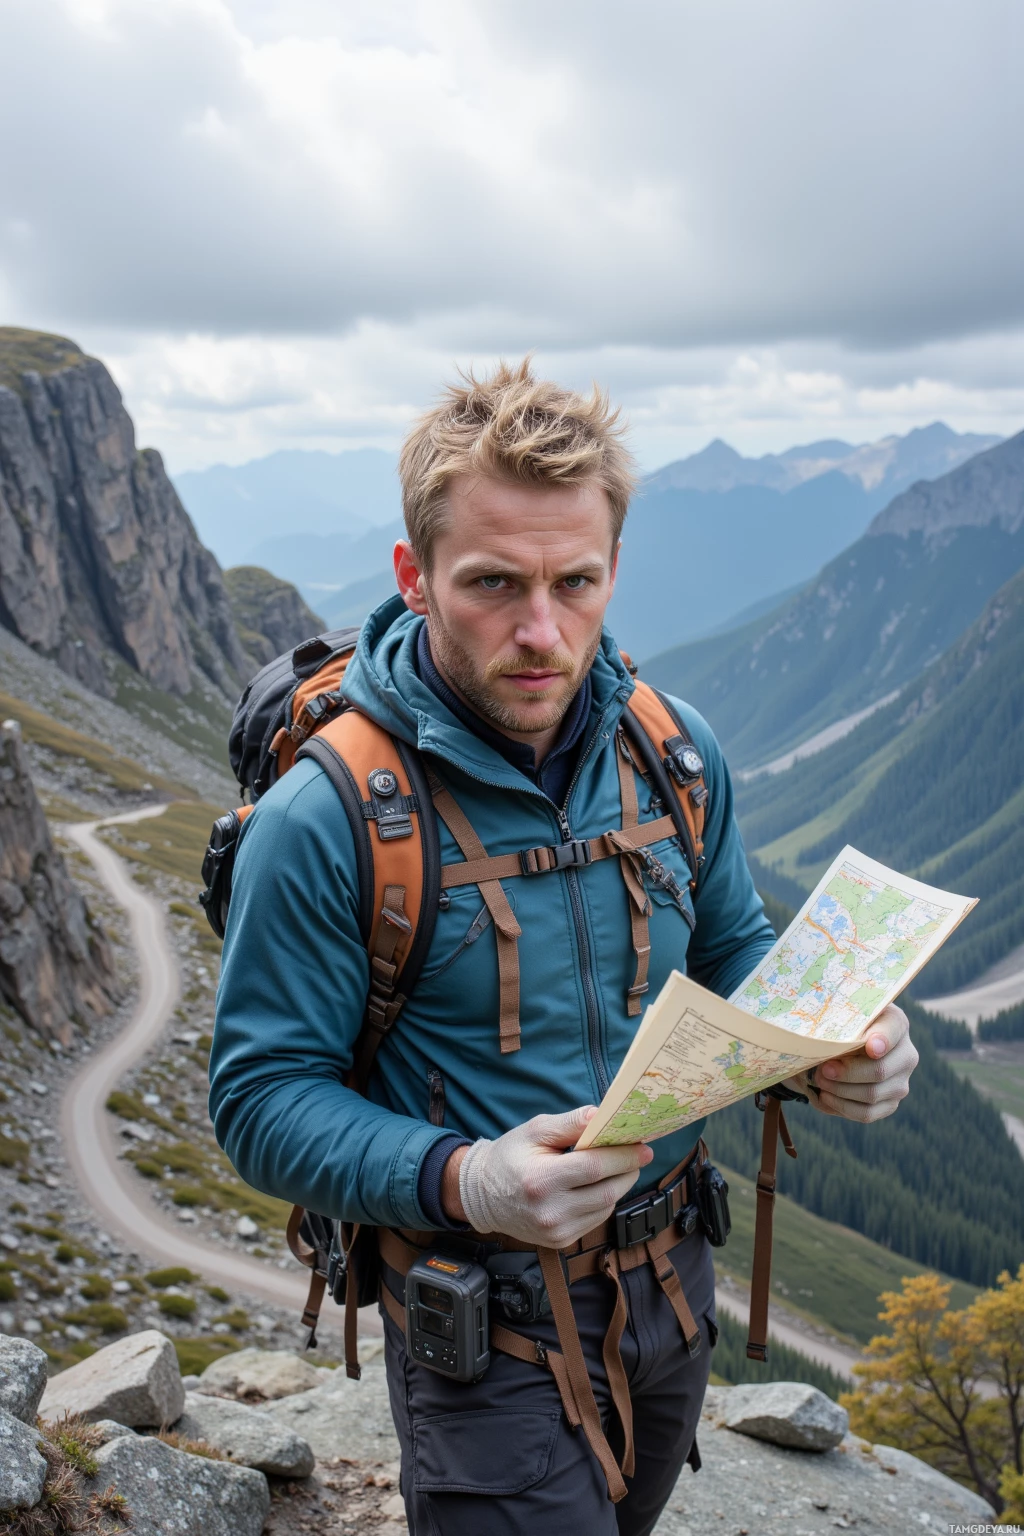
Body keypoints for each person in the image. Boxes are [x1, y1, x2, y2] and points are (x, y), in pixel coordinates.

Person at [209, 359, 919, 1536]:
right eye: (493, 583)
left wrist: (829, 1044)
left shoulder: (671, 750)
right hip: (484, 1329)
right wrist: (469, 1178)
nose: (541, 632)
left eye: (574, 583)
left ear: (613, 569)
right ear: (415, 577)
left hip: (672, 1287)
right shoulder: (328, 818)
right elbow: (259, 1098)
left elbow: (729, 945)